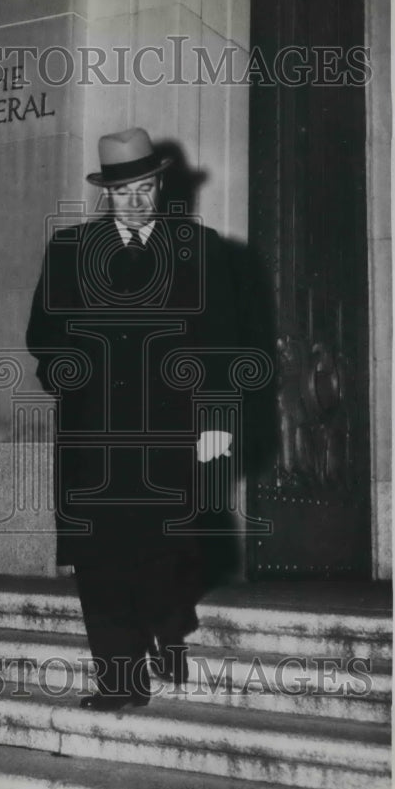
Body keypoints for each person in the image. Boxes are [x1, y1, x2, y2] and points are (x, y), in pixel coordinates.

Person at [25, 127, 240, 711]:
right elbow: (42, 335)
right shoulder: (69, 250)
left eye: (146, 188)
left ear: (160, 185)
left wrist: (216, 420)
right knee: (98, 556)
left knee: (168, 548)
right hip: (94, 430)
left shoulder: (202, 247)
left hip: (171, 429)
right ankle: (119, 679)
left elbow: (223, 341)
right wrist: (69, 375)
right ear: (106, 195)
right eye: (125, 192)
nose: (138, 202)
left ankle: (166, 628)